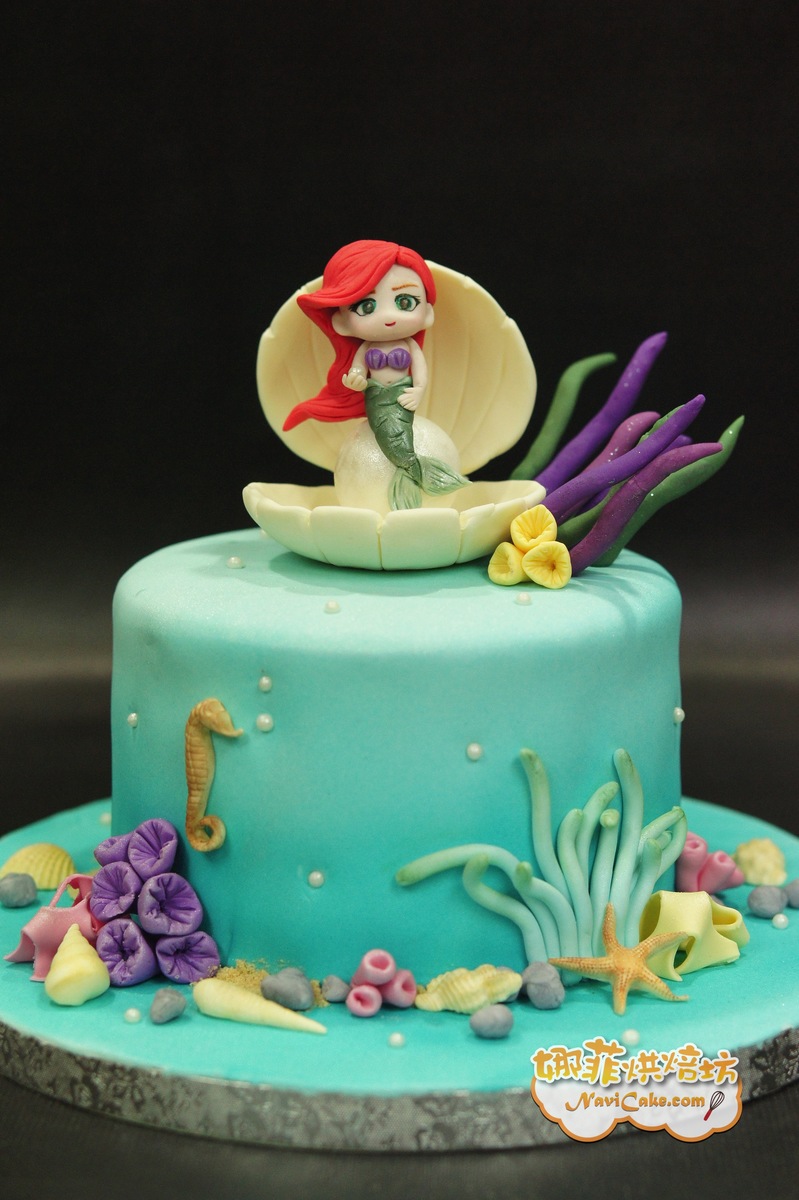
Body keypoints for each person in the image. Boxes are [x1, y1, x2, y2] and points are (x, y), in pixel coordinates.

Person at [283, 240, 467, 510]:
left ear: (427, 313)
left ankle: (414, 477)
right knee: (386, 435)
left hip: (402, 396)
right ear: (342, 322)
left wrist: (418, 391)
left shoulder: (410, 346)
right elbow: (357, 369)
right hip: (376, 397)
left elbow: (420, 371)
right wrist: (355, 379)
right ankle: (413, 476)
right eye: (367, 306)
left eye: (405, 302)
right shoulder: (367, 347)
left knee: (400, 437)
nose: (389, 316)